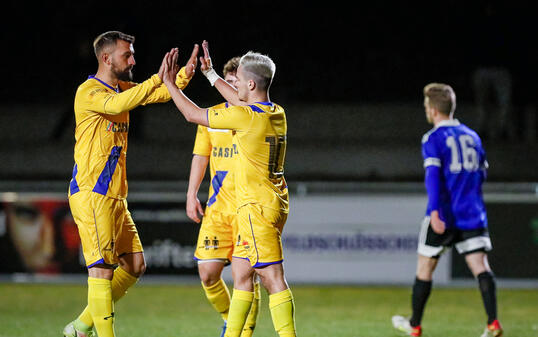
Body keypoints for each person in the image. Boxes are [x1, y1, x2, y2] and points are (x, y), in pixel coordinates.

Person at [63, 31, 198, 337]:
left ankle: (82, 326)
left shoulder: (120, 87)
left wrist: (183, 75)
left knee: (135, 266)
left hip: (114, 197)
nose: (133, 59)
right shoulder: (89, 92)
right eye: (128, 54)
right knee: (101, 270)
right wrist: (157, 78)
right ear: (106, 58)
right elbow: (120, 103)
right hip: (92, 194)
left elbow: (158, 94)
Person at [162, 42, 296, 337]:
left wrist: (170, 84)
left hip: (255, 207)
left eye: (240, 83)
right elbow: (240, 99)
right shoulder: (277, 113)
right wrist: (210, 74)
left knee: (273, 277)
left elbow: (193, 114)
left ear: (249, 83)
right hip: (275, 201)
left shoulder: (245, 118)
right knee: (241, 274)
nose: (236, 91)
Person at [392, 83, 503, 337]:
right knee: (480, 265)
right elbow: (481, 173)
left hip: (444, 213)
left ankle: (415, 325)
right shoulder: (473, 136)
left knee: (425, 268)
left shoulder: (433, 138)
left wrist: (435, 212)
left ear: (431, 110)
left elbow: (433, 178)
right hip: (473, 213)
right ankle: (493, 323)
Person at [187, 56, 261, 337]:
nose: (229, 87)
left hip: (247, 209)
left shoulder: (256, 116)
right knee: (207, 273)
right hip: (217, 209)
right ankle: (233, 321)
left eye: (234, 83)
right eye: (225, 82)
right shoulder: (212, 117)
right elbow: (200, 155)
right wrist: (191, 193)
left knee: (245, 277)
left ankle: (243, 331)